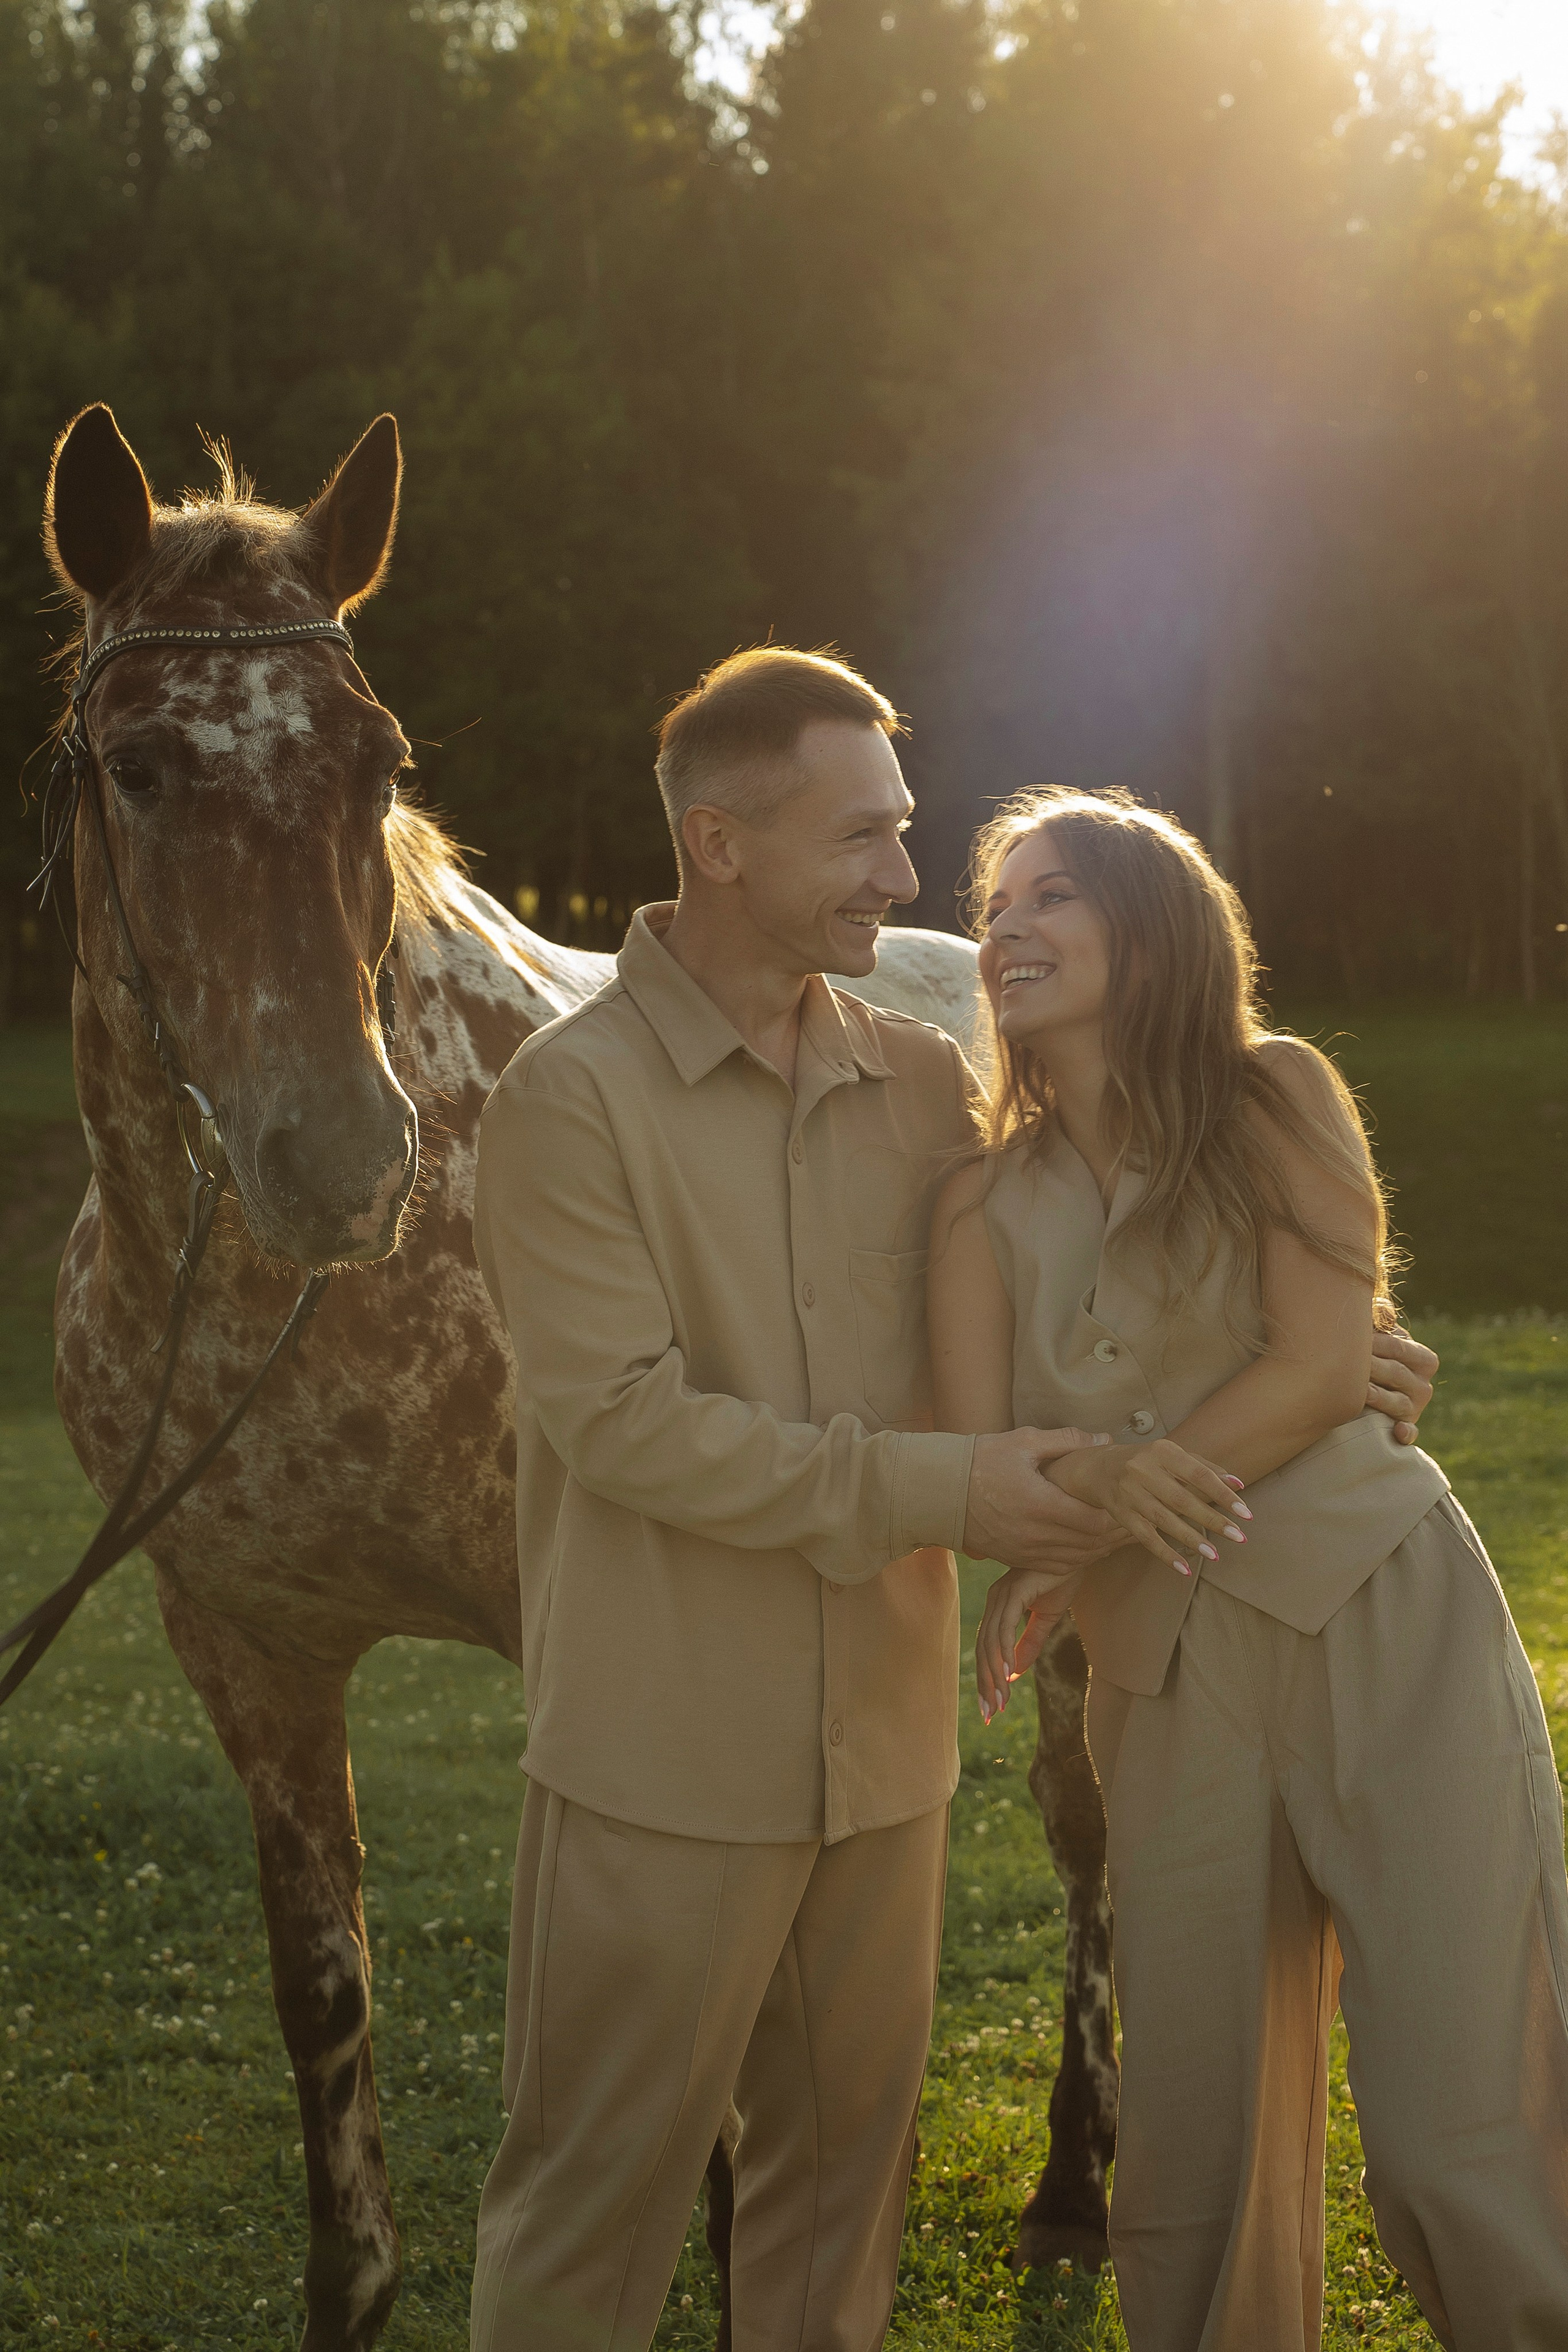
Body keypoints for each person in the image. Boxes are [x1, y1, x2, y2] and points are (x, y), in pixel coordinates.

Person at [469, 650, 1436, 2352]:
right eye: (862, 840)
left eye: (906, 835)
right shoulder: (568, 1103)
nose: (906, 884)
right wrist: (962, 1489)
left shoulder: (928, 1087)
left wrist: (1338, 1352)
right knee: (588, 2219)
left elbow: (1106, 1270)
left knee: (844, 2221)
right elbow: (623, 1427)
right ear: (720, 845)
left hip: (888, 1761)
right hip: (661, 1762)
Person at [929, 785, 1568, 2352]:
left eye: (1052, 896)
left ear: (1150, 932)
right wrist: (1068, 1518)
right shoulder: (971, 1205)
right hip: (1162, 1676)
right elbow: (974, 1459)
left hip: (1380, 1617)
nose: (1006, 927)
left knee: (1461, 2116)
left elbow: (1319, 1361)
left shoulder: (1273, 1093)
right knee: (1191, 2149)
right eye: (996, 902)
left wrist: (1114, 1479)